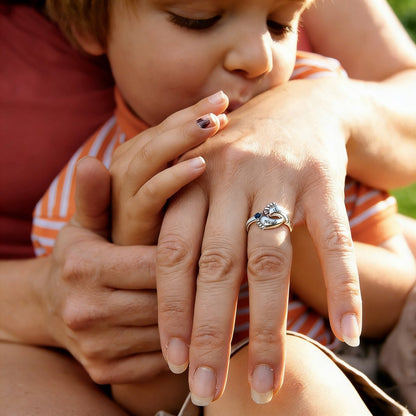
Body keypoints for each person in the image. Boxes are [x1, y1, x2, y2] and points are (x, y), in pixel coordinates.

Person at [1, 0, 416, 414]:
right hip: (239, 400)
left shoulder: (309, 117)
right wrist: (136, 246)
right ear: (91, 27)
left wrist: (281, 227)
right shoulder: (82, 202)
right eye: (197, 19)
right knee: (278, 383)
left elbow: (400, 298)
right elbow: (150, 400)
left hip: (388, 359)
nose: (258, 57)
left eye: (280, 25)